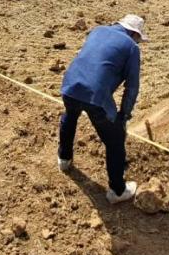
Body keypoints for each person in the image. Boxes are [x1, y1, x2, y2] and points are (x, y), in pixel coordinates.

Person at [57, 14, 145, 204]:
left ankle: (64, 160)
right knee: (115, 140)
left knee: (70, 116)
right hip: (96, 95)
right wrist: (123, 116)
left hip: (70, 84)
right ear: (133, 33)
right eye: (139, 38)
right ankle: (117, 190)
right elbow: (132, 87)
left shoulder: (97, 30)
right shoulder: (131, 47)